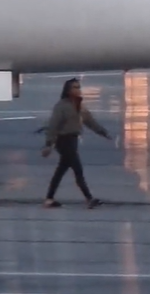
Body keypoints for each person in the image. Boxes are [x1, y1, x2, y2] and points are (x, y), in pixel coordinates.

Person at [41, 78, 112, 209]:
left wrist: (103, 133)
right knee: (77, 170)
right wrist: (49, 144)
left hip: (73, 141)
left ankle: (49, 199)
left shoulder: (79, 106)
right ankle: (89, 198)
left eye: (78, 87)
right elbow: (53, 125)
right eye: (75, 87)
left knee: (60, 171)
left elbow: (90, 122)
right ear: (68, 90)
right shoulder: (62, 106)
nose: (78, 90)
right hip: (63, 141)